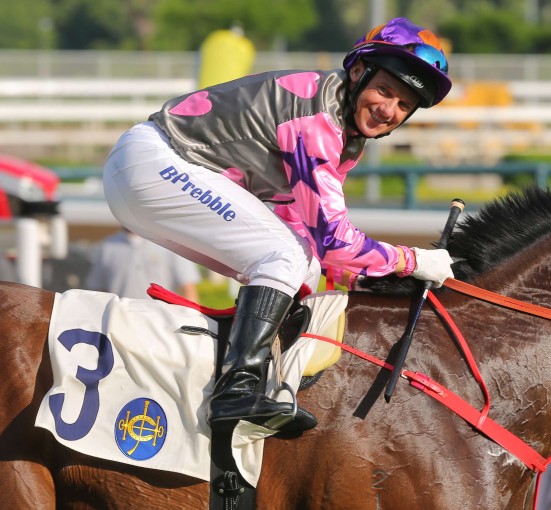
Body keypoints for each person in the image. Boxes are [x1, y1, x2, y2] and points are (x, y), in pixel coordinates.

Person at [99, 17, 455, 436]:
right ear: (358, 71)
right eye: (385, 91)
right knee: (284, 255)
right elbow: (335, 240)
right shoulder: (318, 118)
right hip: (155, 163)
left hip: (152, 172)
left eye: (403, 105)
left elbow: (307, 232)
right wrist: (412, 261)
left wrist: (364, 278)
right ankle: (237, 388)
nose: (389, 110)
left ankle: (252, 376)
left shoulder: (343, 128)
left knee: (301, 262)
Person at [85, 228, 201, 302]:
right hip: (119, 322)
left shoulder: (171, 243)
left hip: (160, 322)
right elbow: (98, 291)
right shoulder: (107, 245)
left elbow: (189, 290)